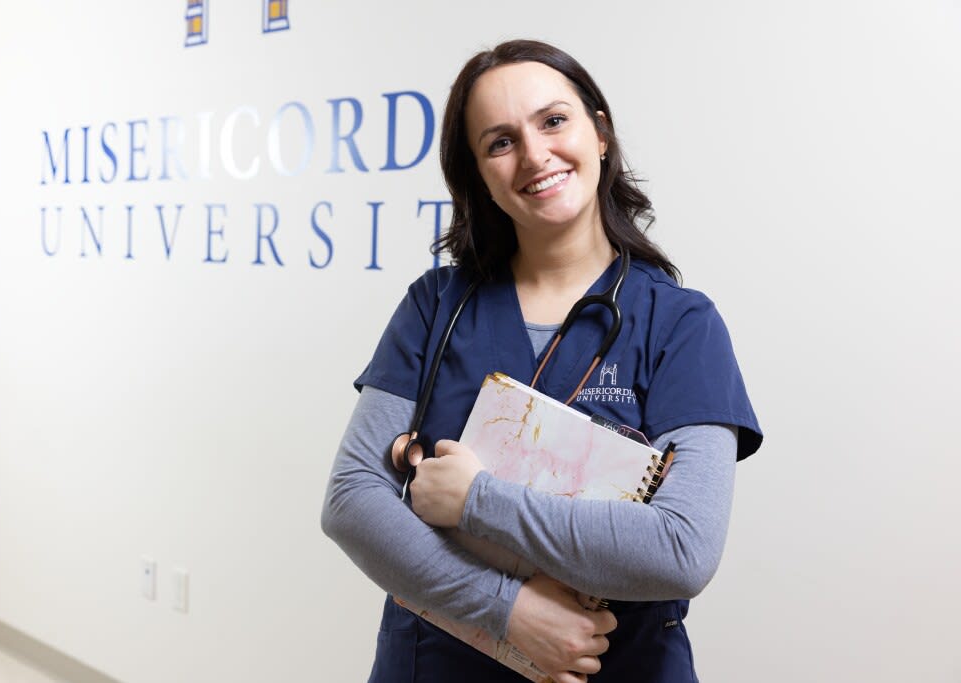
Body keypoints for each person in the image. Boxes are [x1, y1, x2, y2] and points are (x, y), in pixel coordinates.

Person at [321, 39, 762, 683]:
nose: (533, 155)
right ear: (477, 174)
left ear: (600, 134)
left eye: (553, 121)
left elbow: (681, 548)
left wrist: (476, 500)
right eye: (499, 142)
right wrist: (506, 610)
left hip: (615, 664)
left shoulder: (681, 324)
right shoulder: (434, 305)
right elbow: (353, 500)